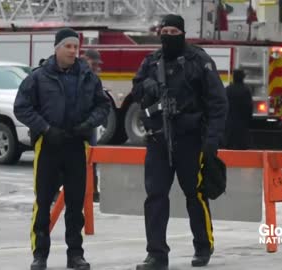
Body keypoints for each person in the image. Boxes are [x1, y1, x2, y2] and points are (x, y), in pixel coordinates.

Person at [131, 14, 228, 269]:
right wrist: (147, 87)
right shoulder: (152, 62)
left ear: (183, 33)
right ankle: (156, 254)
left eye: (174, 31)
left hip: (190, 140)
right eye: (165, 30)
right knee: (155, 197)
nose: (169, 35)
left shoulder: (198, 60)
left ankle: (203, 247)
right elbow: (136, 91)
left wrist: (212, 141)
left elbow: (218, 103)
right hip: (158, 139)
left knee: (195, 194)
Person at [14, 28, 110, 270]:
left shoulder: (88, 76)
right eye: (67, 46)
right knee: (43, 202)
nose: (72, 50)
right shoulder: (38, 77)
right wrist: (45, 128)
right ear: (56, 48)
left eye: (75, 47)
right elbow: (22, 107)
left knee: (75, 205)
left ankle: (75, 255)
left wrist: (87, 125)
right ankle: (40, 256)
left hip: (76, 146)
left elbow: (103, 106)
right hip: (48, 146)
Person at [81, 49, 104, 202]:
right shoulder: (76, 73)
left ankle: (93, 190)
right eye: (94, 63)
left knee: (92, 158)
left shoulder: (93, 78)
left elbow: (101, 103)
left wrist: (93, 120)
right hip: (80, 124)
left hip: (89, 124)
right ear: (86, 59)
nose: (96, 67)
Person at [224, 69, 253, 150]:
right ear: (243, 77)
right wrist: (249, 120)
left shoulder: (228, 89)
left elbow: (223, 105)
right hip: (242, 123)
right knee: (242, 145)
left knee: (229, 145)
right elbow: (249, 107)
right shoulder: (246, 90)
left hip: (229, 122)